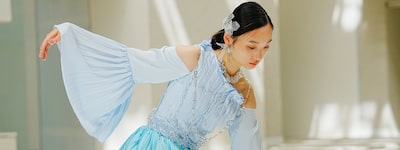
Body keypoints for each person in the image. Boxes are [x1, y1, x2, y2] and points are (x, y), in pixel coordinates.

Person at [39, 1, 273, 150]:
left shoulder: (244, 95)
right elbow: (131, 60)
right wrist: (69, 33)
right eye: (252, 46)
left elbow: (247, 146)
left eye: (266, 47)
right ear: (230, 39)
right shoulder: (194, 57)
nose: (258, 55)